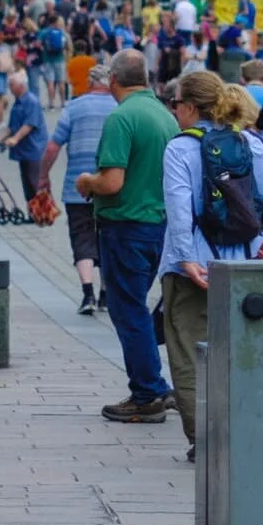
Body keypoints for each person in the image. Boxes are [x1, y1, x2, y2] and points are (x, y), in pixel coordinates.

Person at [160, 74, 263, 459]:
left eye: (176, 102)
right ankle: (245, 431)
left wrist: (186, 258)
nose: (174, 109)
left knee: (189, 352)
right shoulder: (248, 141)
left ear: (189, 107)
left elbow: (179, 207)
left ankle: (204, 441)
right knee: (242, 348)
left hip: (195, 269)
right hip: (245, 261)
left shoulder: (180, 148)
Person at [75, 50, 179, 424]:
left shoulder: (122, 118)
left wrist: (87, 182)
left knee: (127, 310)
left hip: (125, 226)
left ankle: (147, 392)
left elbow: (112, 181)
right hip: (159, 225)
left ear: (112, 80)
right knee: (137, 307)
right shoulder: (165, 116)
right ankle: (153, 382)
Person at [42, 62, 116, 315]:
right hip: (112, 186)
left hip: (77, 187)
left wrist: (44, 177)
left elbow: (53, 147)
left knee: (82, 237)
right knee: (107, 238)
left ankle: (88, 294)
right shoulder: (120, 107)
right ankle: (106, 296)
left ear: (89, 81)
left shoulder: (73, 107)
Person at [0, 70, 47, 201]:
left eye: (11, 85)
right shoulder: (18, 102)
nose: (9, 88)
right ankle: (31, 212)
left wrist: (15, 138)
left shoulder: (31, 101)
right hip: (23, 149)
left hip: (33, 148)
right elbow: (12, 126)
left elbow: (29, 125)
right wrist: (0, 139)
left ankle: (40, 213)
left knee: (34, 182)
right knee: (27, 183)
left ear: (20, 86)